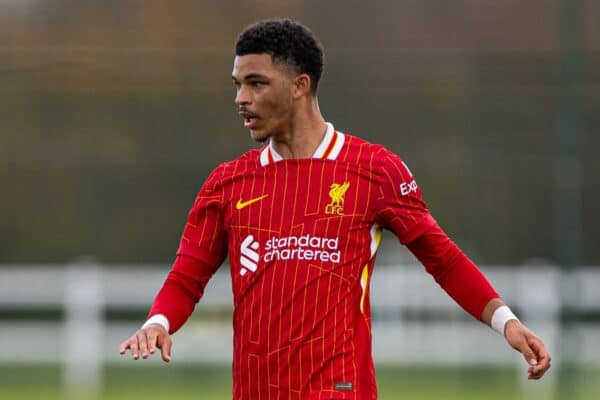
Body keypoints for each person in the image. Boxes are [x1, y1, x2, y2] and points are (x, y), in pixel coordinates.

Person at [119, 19, 551, 399]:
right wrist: (159, 321)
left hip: (339, 388)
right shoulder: (227, 184)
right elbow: (186, 275)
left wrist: (506, 322)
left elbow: (443, 258)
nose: (241, 99)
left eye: (256, 83)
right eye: (237, 85)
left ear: (299, 85)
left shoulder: (373, 170)